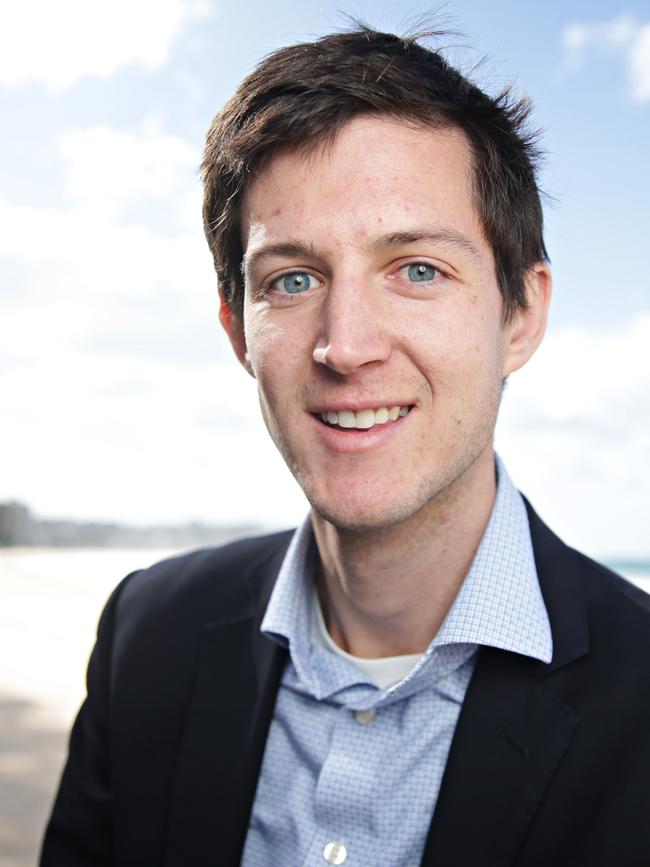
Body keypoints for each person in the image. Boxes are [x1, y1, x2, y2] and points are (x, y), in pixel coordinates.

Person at [41, 25, 650, 867]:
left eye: (418, 269)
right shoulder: (146, 638)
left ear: (521, 314)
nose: (347, 345)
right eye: (293, 278)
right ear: (238, 332)